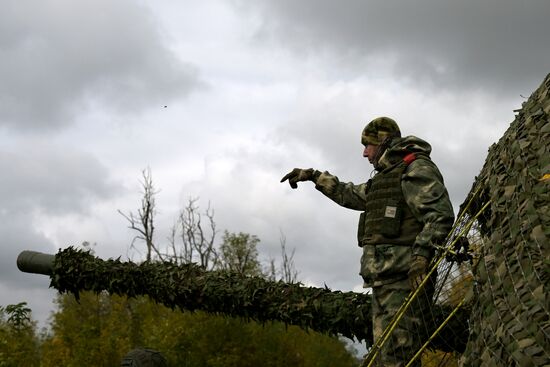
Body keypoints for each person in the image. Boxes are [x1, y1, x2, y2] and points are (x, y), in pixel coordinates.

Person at [281, 117, 454, 366]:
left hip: (405, 281)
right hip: (384, 281)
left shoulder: (415, 168)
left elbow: (440, 215)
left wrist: (421, 256)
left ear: (383, 142)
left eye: (368, 145)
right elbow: (349, 193)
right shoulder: (386, 177)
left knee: (399, 358)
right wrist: (313, 176)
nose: (364, 153)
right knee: (386, 357)